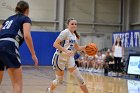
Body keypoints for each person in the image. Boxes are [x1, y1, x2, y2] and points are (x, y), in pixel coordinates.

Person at [0, 1, 38, 93]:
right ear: (27, 10)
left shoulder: (8, 19)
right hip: (10, 45)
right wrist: (33, 54)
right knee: (17, 84)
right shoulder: (25, 19)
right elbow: (27, 36)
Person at [47, 18, 89, 93]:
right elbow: (55, 44)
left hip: (69, 58)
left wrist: (85, 47)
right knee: (59, 81)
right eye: (72, 24)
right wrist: (66, 51)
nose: (74, 25)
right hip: (59, 58)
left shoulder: (74, 35)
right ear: (68, 25)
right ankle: (50, 90)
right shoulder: (65, 32)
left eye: (75, 24)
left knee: (80, 78)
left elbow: (77, 48)